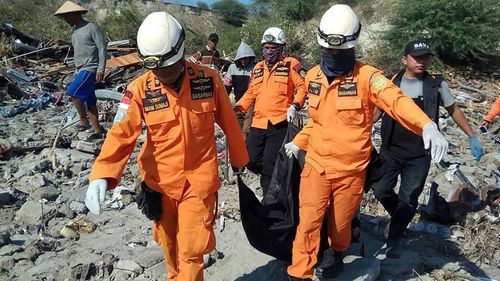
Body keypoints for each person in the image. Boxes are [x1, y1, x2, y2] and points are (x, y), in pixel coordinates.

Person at [283, 5, 449, 281]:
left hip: (350, 172)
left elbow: (396, 101)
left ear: (352, 46)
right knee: (308, 224)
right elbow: (316, 121)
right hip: (316, 167)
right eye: (328, 50)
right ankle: (299, 274)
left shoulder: (368, 78)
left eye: (340, 51)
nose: (333, 56)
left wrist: (426, 124)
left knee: (339, 229)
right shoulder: (312, 77)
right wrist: (299, 143)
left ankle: (336, 252)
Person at [84, 12, 248, 281]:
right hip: (160, 185)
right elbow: (120, 134)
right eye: (156, 69)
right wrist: (102, 174)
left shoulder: (208, 79)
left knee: (192, 252)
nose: (162, 74)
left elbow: (229, 122)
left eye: (168, 68)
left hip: (199, 182)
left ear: (181, 52)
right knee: (169, 249)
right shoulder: (139, 90)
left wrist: (239, 159)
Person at [372, 39, 484, 259]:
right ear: (405, 59)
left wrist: (472, 136)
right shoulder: (391, 81)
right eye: (417, 57)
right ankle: (400, 217)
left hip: (419, 154)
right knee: (380, 189)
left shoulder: (436, 84)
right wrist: (363, 130)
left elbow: (454, 110)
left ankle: (393, 239)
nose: (422, 62)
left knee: (409, 197)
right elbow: (378, 110)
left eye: (425, 58)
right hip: (390, 149)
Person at [234, 27, 307, 194]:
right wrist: (238, 108)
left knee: (268, 163)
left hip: (279, 123)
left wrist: (295, 105)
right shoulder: (258, 68)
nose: (269, 51)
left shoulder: (291, 64)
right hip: (258, 122)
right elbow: (250, 92)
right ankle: (277, 174)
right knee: (250, 159)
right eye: (266, 48)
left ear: (282, 48)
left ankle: (270, 197)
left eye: (273, 48)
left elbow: (302, 87)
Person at [54, 1, 106, 138]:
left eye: (67, 17)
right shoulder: (75, 31)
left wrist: (101, 69)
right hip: (80, 69)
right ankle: (97, 130)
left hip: (90, 68)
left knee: (73, 92)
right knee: (90, 101)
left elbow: (102, 48)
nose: (65, 20)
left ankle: (83, 121)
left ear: (74, 14)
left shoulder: (91, 27)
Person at [223, 41, 256, 140]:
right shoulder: (232, 68)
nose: (243, 61)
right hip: (239, 103)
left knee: (246, 130)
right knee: (237, 127)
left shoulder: (255, 68)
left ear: (250, 58)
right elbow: (227, 87)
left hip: (252, 103)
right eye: (241, 59)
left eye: (245, 59)